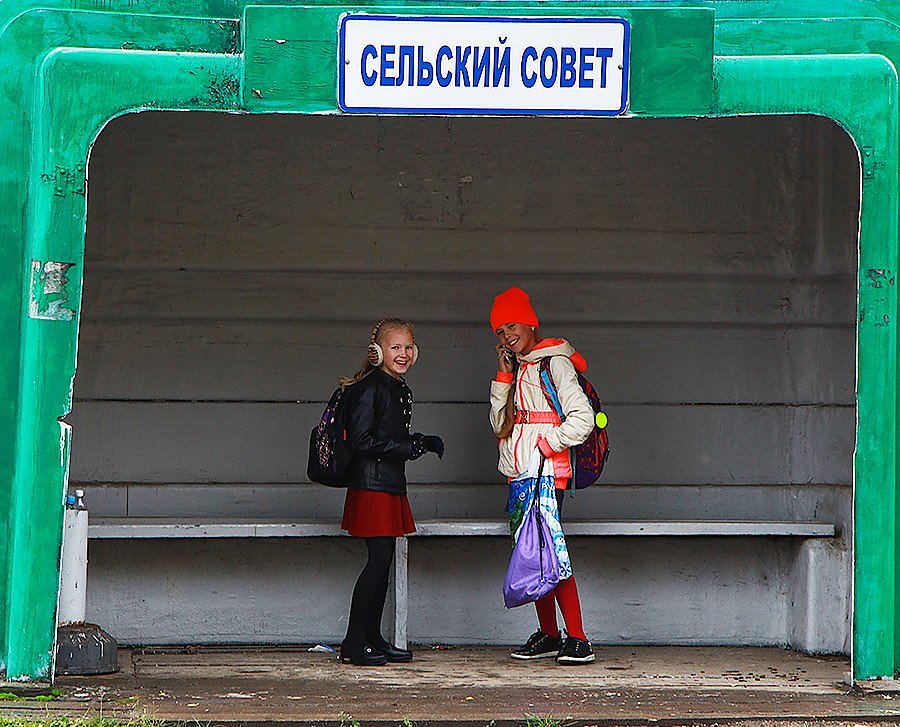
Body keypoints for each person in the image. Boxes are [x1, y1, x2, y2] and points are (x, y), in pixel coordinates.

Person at [489, 287, 596, 665]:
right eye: (500, 331)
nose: (507, 335)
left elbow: (581, 419)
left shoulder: (555, 363)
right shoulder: (517, 368)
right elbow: (498, 425)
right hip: (520, 474)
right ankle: (550, 634)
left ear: (530, 322)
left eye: (512, 325)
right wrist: (503, 376)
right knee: (532, 554)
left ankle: (578, 638)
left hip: (547, 473)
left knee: (552, 553)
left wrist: (547, 444)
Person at [339, 318, 444, 666]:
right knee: (379, 560)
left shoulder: (397, 387)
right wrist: (408, 447)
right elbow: (361, 440)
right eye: (395, 347)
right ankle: (354, 641)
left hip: (387, 483)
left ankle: (372, 637)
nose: (402, 353)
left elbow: (388, 434)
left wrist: (419, 443)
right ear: (377, 351)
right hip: (372, 485)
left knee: (383, 564)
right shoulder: (371, 387)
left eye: (408, 347)